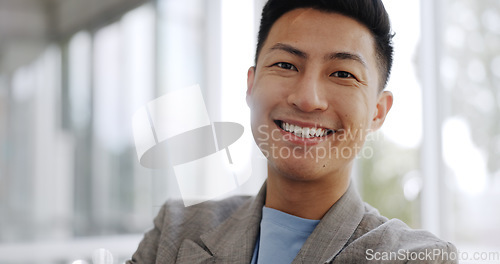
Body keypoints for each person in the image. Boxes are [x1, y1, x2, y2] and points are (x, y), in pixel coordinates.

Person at [128, 0, 458, 263]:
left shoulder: (415, 258)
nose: (307, 98)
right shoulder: (175, 229)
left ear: (377, 111)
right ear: (251, 84)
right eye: (286, 65)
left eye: (343, 73)